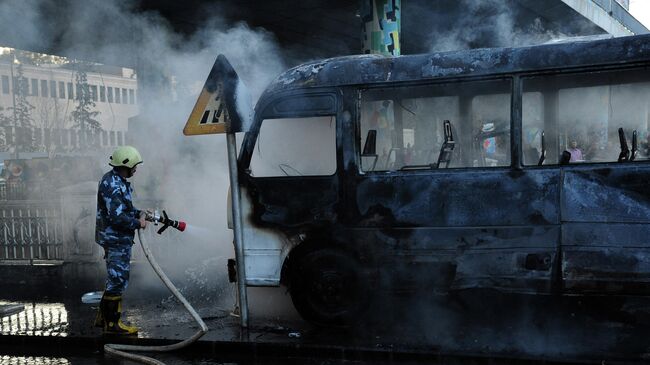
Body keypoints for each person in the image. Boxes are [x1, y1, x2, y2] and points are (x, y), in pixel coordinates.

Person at [94, 146, 147, 335]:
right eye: (135, 166)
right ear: (127, 164)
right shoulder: (114, 185)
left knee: (114, 279)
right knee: (117, 280)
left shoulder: (117, 181)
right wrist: (137, 223)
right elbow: (117, 217)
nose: (136, 170)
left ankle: (103, 318)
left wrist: (138, 212)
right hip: (115, 239)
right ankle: (112, 325)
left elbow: (123, 209)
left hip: (117, 239)